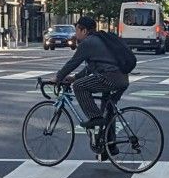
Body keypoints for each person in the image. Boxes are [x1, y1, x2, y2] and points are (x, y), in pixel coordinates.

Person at [54, 14, 129, 142]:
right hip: (122, 78)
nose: (76, 33)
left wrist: (58, 77)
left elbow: (73, 63)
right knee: (107, 110)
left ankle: (94, 118)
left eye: (77, 30)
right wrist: (75, 77)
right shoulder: (100, 39)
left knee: (79, 86)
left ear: (84, 31)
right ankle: (110, 146)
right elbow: (92, 66)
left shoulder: (87, 43)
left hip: (110, 77)